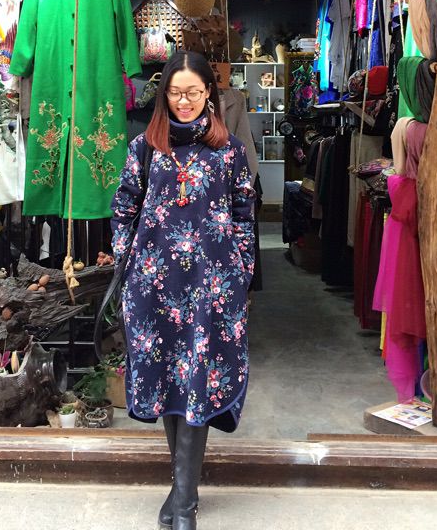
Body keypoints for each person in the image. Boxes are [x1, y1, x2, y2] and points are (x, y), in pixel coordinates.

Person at [111, 50, 256, 530]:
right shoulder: (144, 148)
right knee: (168, 382)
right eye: (176, 92)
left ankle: (184, 500)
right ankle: (182, 494)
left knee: (197, 382)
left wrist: (241, 272)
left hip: (210, 290)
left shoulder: (229, 151)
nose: (185, 101)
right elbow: (124, 208)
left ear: (209, 93)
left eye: (194, 91)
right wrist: (128, 262)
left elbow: (244, 215)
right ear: (164, 95)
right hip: (154, 288)